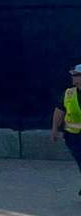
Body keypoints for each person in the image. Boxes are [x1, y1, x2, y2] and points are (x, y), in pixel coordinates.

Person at [52, 64, 81, 194]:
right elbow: (60, 111)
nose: (73, 78)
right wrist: (54, 129)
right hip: (74, 137)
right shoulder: (69, 93)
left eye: (77, 75)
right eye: (73, 75)